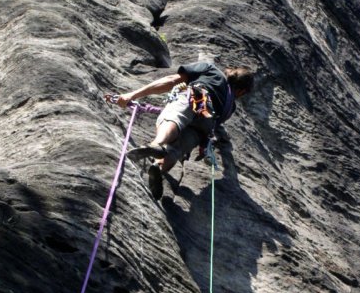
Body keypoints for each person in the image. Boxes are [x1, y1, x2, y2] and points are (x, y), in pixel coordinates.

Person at [105, 61, 254, 199]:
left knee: (174, 117)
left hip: (197, 97)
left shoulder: (211, 70)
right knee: (177, 150)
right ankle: (159, 168)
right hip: (206, 124)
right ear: (241, 92)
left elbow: (172, 80)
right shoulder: (230, 107)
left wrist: (133, 94)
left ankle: (158, 143)